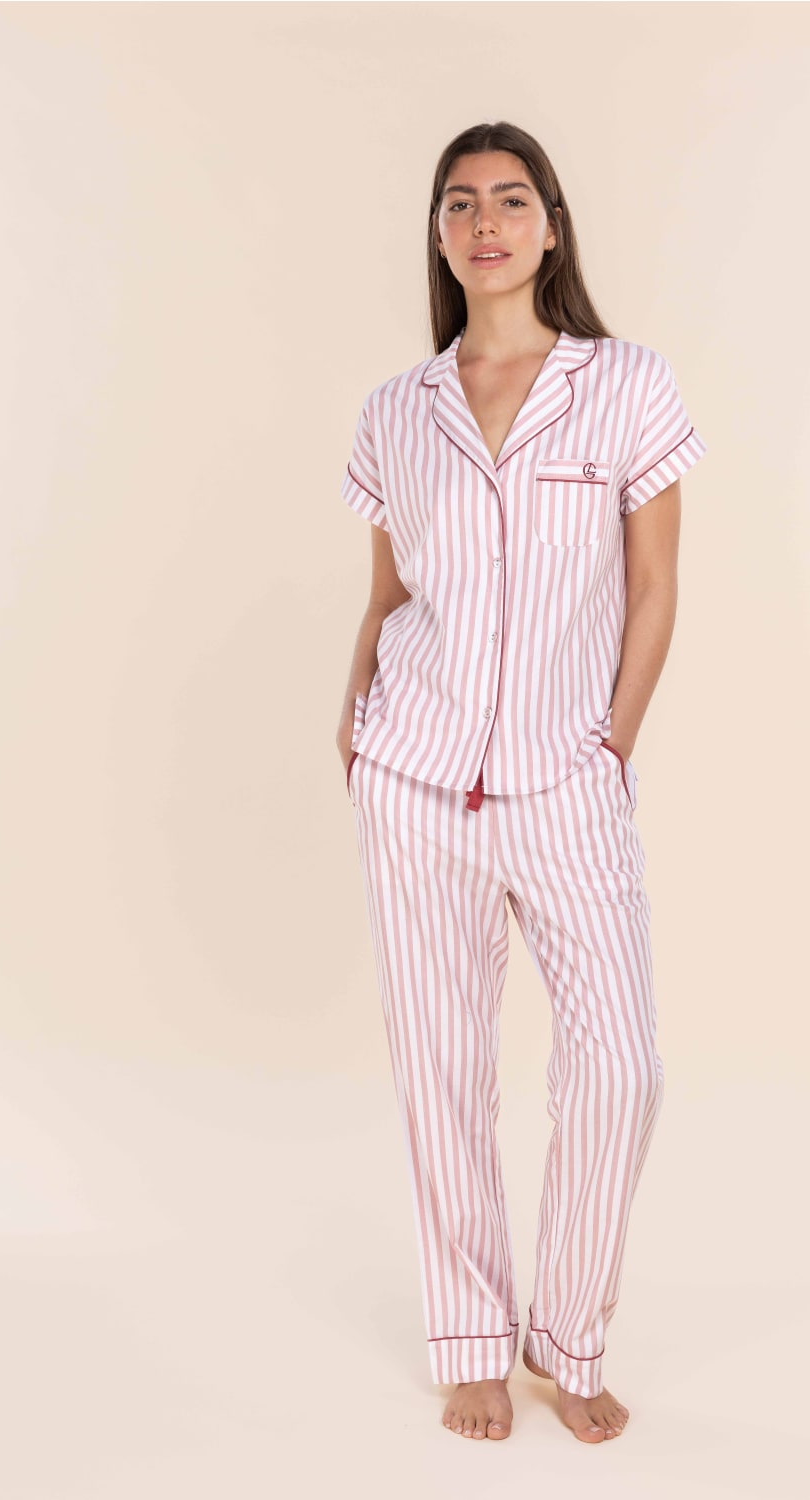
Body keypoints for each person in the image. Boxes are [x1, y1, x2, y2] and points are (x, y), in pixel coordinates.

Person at [337, 120, 707, 1445]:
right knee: (441, 1069)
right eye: (459, 203)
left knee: (621, 1068)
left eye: (510, 199)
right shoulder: (400, 410)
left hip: (565, 781)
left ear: (551, 226)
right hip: (414, 778)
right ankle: (471, 1339)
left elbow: (656, 588)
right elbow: (392, 589)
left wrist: (610, 743)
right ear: (440, 238)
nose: (485, 221)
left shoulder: (627, 387)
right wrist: (354, 713)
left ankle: (570, 1335)